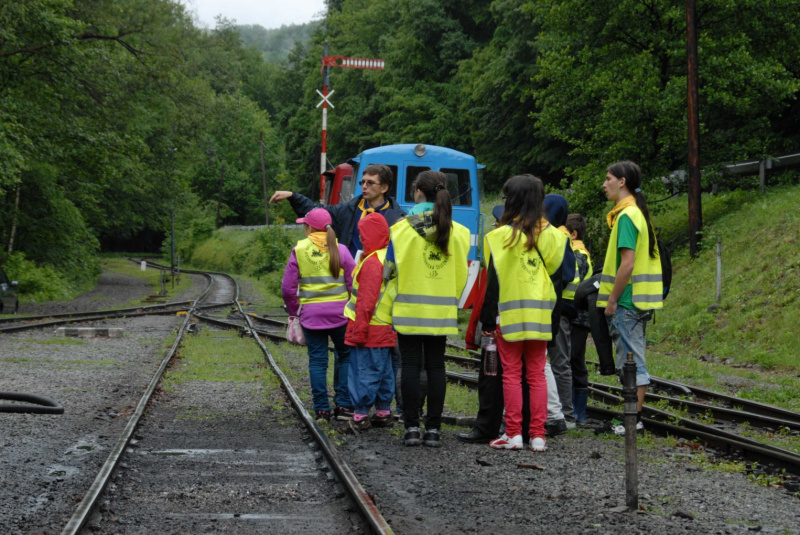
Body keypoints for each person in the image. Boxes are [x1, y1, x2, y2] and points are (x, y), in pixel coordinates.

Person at [384, 170, 470, 448]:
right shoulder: (460, 233)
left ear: (418, 192)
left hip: (408, 310)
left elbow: (388, 272)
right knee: (436, 367)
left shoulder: (400, 230)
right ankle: (433, 430)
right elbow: (462, 274)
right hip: (442, 311)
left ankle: (411, 427)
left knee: (409, 365)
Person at [480, 175, 563, 452]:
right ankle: (538, 436)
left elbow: (493, 281)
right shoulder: (555, 235)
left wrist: (487, 318)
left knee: (511, 375)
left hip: (509, 315)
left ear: (512, 200)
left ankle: (514, 434)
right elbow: (557, 280)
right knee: (537, 374)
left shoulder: (499, 236)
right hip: (541, 315)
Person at [598, 161, 663, 435]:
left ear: (622, 181)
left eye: (608, 178)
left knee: (631, 360)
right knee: (632, 358)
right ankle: (631, 418)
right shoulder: (637, 214)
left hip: (626, 301)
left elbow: (627, 264)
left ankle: (631, 420)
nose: (604, 184)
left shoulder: (626, 216)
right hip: (638, 300)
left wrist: (612, 300)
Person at [282, 208, 356, 420]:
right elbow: (353, 283)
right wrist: (353, 309)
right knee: (345, 358)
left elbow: (288, 288)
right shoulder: (341, 249)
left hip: (312, 317)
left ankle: (322, 408)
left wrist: (295, 312)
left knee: (317, 362)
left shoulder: (300, 249)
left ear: (309, 227)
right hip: (342, 316)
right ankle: (343, 405)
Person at [269, 164, 406, 258]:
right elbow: (317, 213)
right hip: (349, 277)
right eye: (362, 182)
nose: (364, 186)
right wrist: (294, 197)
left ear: (384, 188)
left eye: (370, 183)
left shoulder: (396, 218)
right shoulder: (348, 209)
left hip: (379, 279)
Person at [343, 213, 397, 430]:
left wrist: (359, 331)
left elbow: (365, 302)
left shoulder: (372, 262)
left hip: (368, 328)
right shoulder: (387, 257)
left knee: (364, 372)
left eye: (363, 234)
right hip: (385, 327)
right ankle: (383, 411)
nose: (361, 238)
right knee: (384, 372)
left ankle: (360, 415)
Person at [565, 213, 593, 425]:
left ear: (573, 233)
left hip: (577, 316)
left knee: (573, 360)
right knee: (574, 360)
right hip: (578, 315)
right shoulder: (581, 252)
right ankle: (576, 412)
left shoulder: (577, 254)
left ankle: (578, 413)